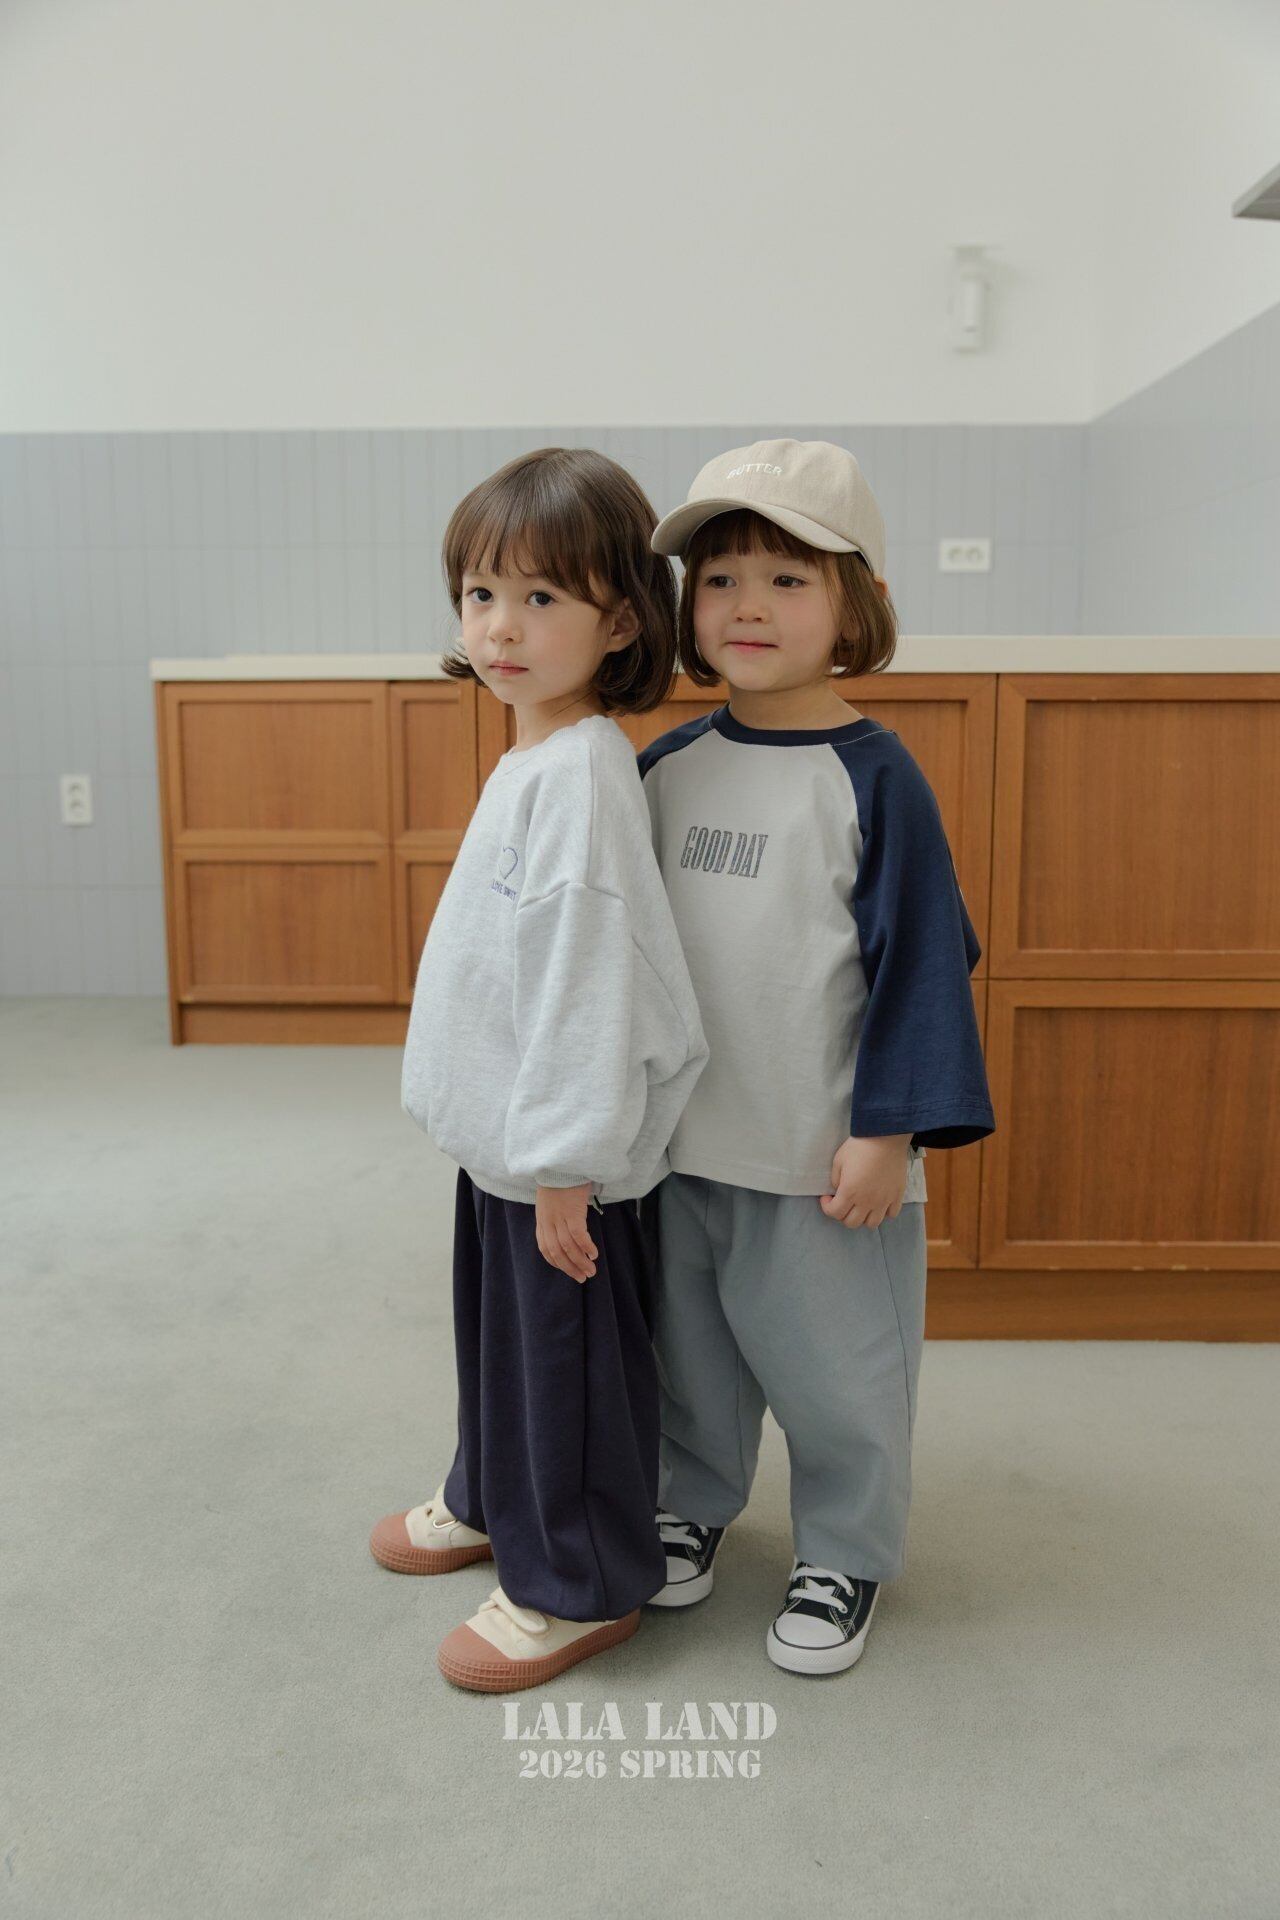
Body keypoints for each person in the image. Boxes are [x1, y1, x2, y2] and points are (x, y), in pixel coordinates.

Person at [636, 439, 995, 1675]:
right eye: (720, 579)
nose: (746, 605)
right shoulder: (666, 769)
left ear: (855, 606)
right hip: (681, 1149)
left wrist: (886, 1131)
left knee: (841, 1375)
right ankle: (688, 1503)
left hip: (821, 1158)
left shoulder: (874, 779)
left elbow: (922, 965)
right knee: (688, 1360)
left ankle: (843, 1549)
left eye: (787, 579)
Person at [371, 447, 708, 1692]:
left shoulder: (584, 777)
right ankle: (488, 1494)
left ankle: (577, 1583)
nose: (500, 628)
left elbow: (584, 982)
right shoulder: (534, 759)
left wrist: (566, 1161)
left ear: (620, 620)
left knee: (563, 1370)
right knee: (502, 1350)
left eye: (541, 598)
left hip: (558, 1160)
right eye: (479, 595)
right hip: (503, 1141)